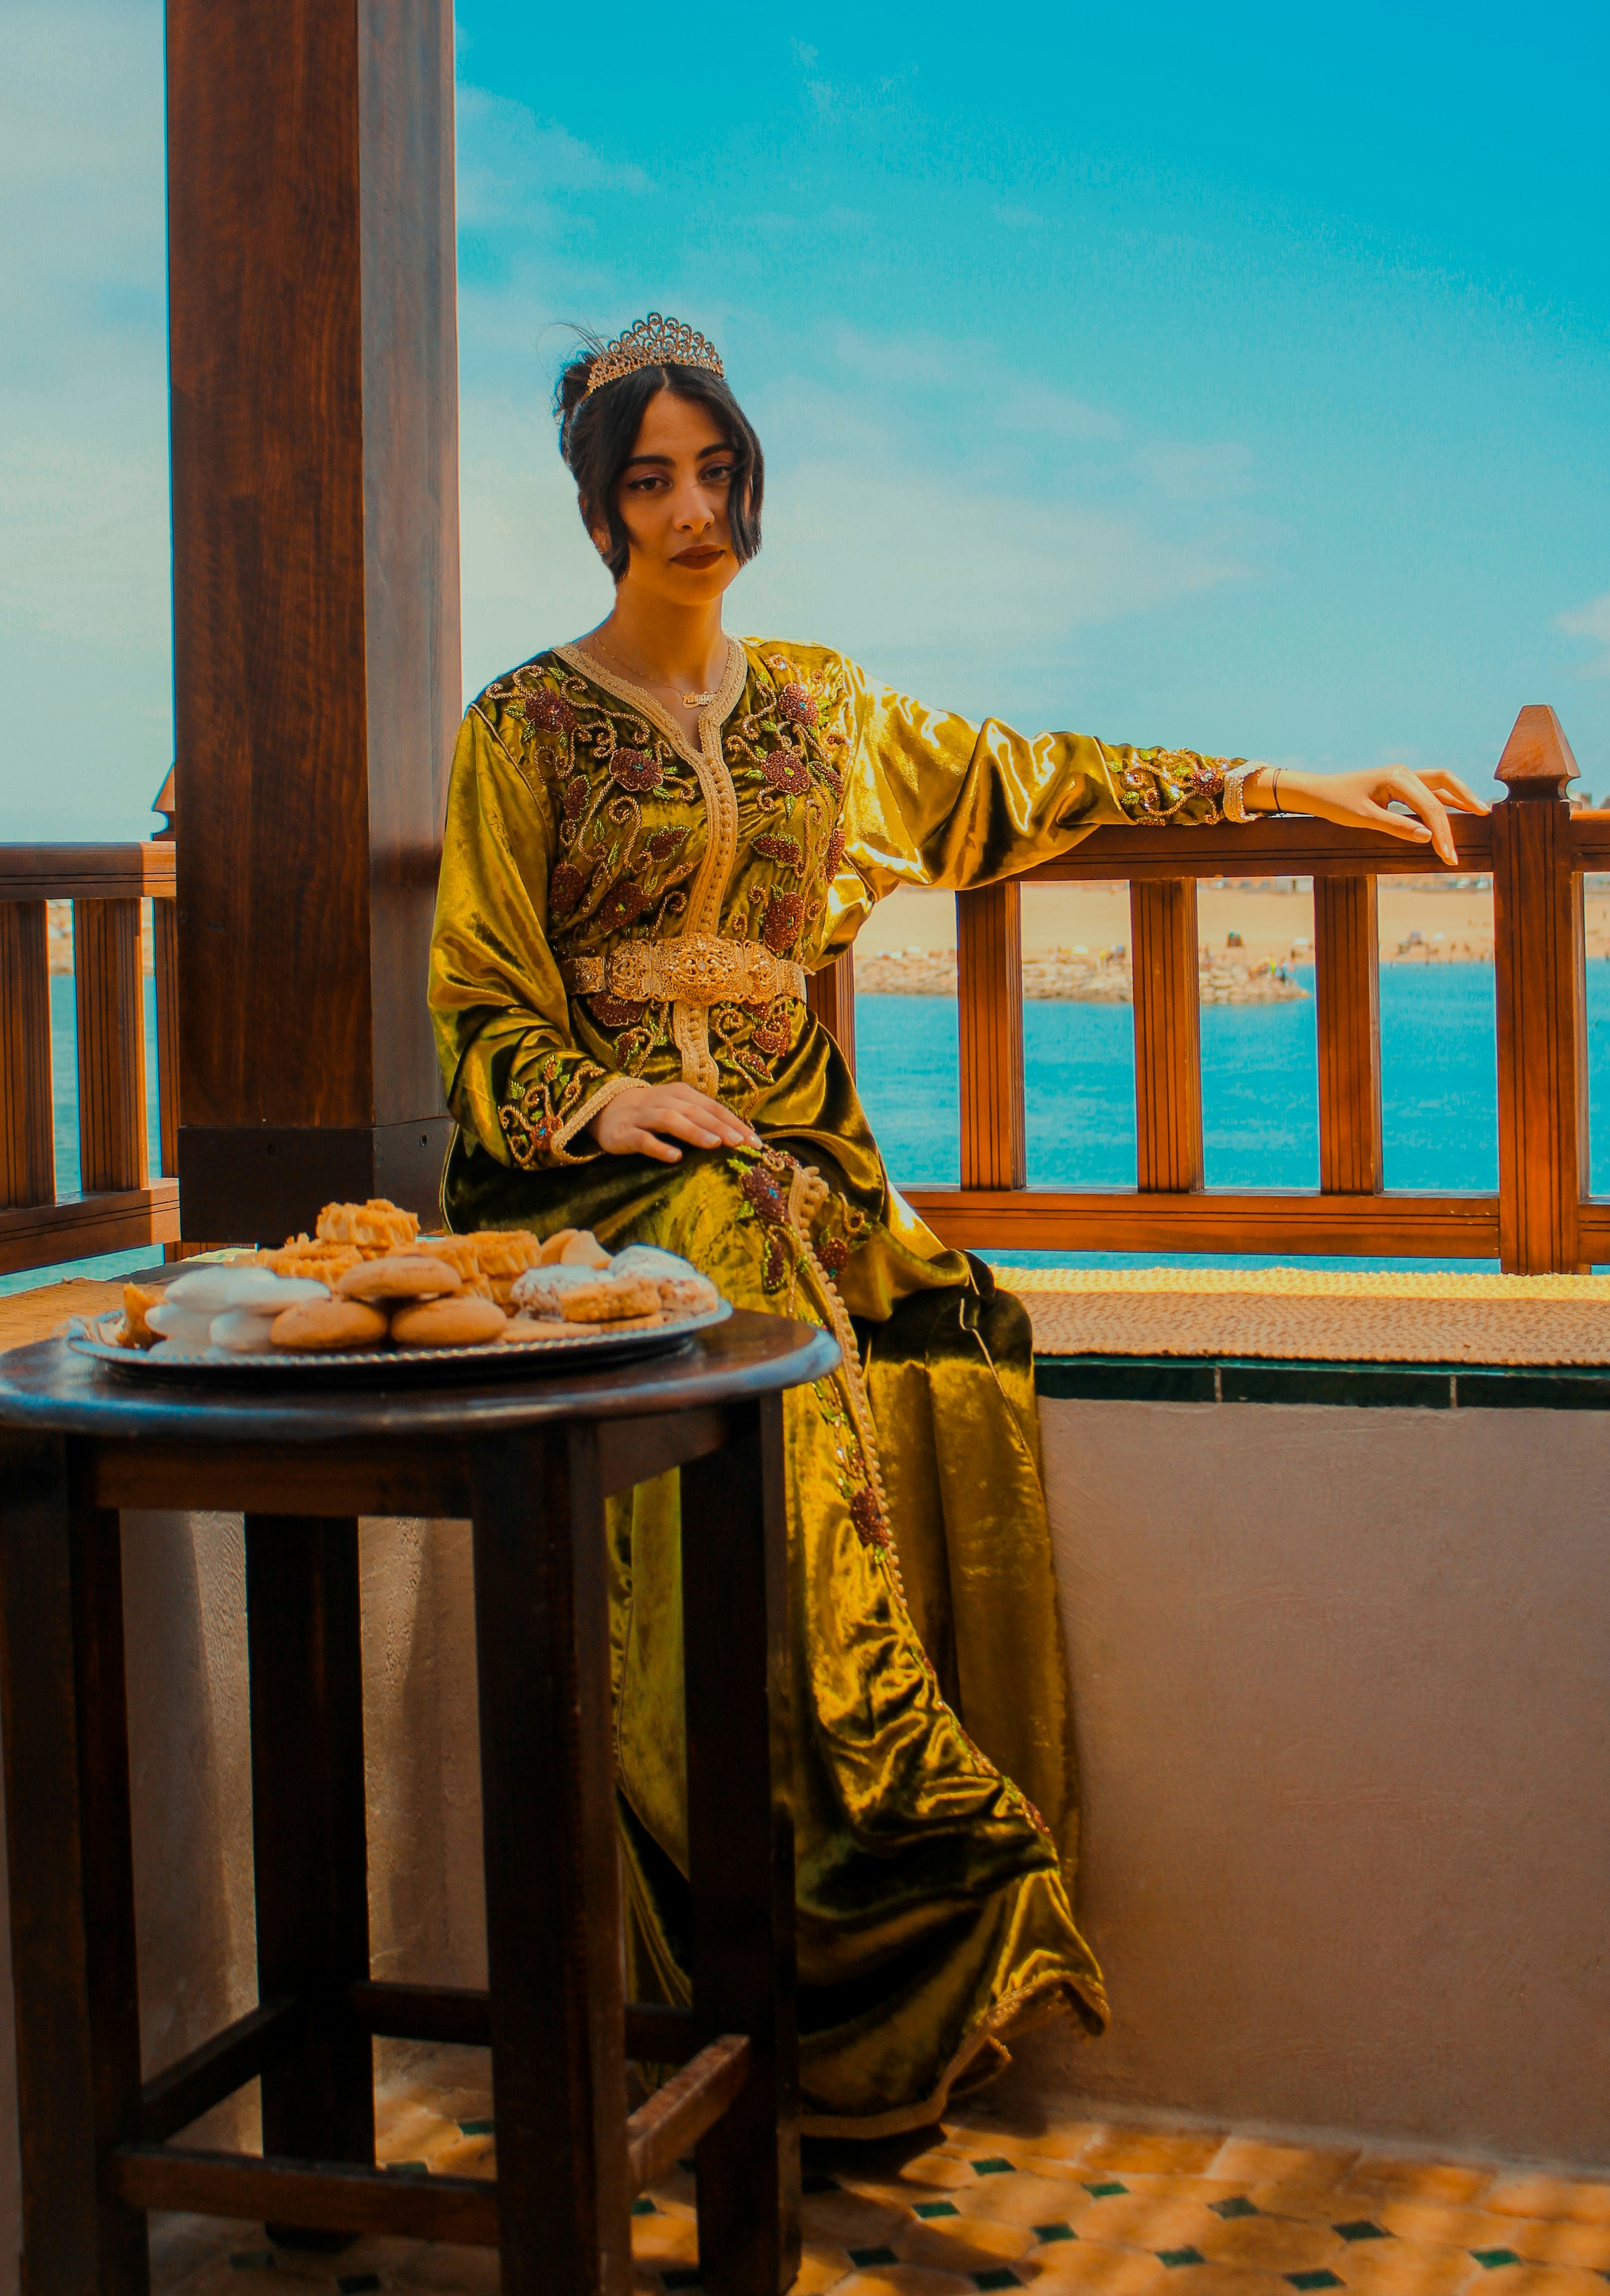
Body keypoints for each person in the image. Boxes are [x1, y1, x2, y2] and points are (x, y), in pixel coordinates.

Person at [428, 313, 1487, 2134]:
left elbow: (1033, 774)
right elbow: (478, 998)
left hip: (795, 1164)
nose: (693, 510)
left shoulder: (825, 710)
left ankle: (883, 1932)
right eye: (651, 480)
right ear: (602, 511)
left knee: (931, 1313)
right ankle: (874, 1831)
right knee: (719, 1237)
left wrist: (1279, 783)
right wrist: (601, 1097)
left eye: (715, 470)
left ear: (754, 481)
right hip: (600, 1177)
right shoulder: (517, 725)